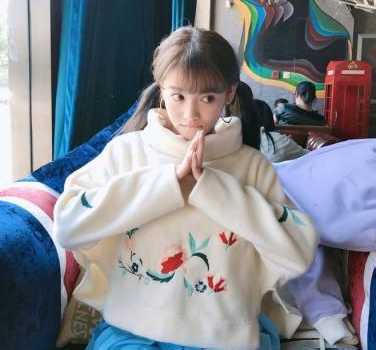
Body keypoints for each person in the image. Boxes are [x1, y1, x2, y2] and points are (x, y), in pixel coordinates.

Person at [54, 26, 318, 350]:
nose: (190, 114)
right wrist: (168, 185)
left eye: (207, 98)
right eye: (178, 96)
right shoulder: (126, 153)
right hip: (132, 333)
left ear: (229, 93)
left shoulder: (252, 166)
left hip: (224, 339)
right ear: (161, 88)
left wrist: (211, 189)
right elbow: (67, 225)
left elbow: (298, 254)